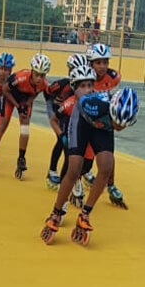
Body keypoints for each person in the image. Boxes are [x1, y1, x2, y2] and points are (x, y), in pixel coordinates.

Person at [40, 71, 138, 246]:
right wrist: (63, 136)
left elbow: (110, 157)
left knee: (106, 167)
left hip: (102, 126)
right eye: (117, 122)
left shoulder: (122, 115)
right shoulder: (92, 104)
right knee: (74, 168)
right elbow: (74, 104)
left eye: (122, 125)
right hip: (82, 120)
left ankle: (85, 214)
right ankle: (56, 213)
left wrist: (111, 185)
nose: (118, 127)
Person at [0, 53, 51, 179]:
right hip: (10, 95)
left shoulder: (44, 84)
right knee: (3, 123)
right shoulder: (21, 77)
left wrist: (27, 103)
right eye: (37, 74)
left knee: (25, 127)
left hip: (25, 99)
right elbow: (5, 90)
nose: (39, 78)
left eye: (43, 75)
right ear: (32, 71)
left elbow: (35, 92)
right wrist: (18, 106)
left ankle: (21, 158)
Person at [80, 44, 127, 207]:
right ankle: (79, 177)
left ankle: (111, 185)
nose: (102, 66)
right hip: (86, 121)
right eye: (98, 62)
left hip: (104, 122)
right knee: (84, 159)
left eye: (105, 62)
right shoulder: (85, 78)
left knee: (109, 156)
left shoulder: (113, 77)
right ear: (90, 63)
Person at [43, 54, 83, 189]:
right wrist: (53, 105)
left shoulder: (81, 86)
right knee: (62, 140)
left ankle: (67, 175)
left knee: (69, 144)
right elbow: (47, 92)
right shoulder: (61, 84)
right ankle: (52, 170)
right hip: (56, 110)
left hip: (67, 112)